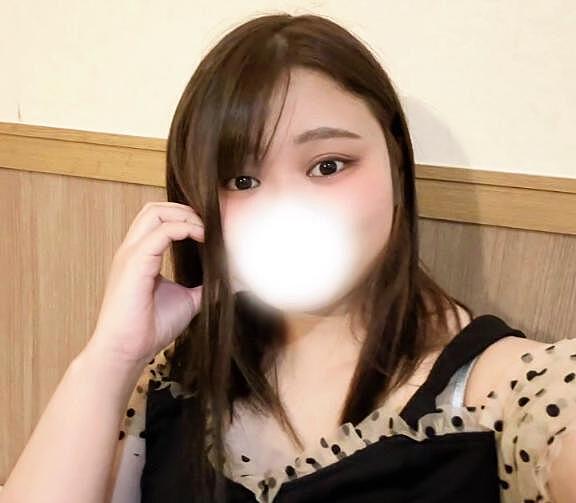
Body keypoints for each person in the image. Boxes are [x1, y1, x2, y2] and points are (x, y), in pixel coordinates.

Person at [2, 12, 576, 503]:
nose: (287, 208)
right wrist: (110, 357)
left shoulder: (504, 391)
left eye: (328, 165)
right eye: (242, 179)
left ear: (396, 165)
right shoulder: (176, 378)